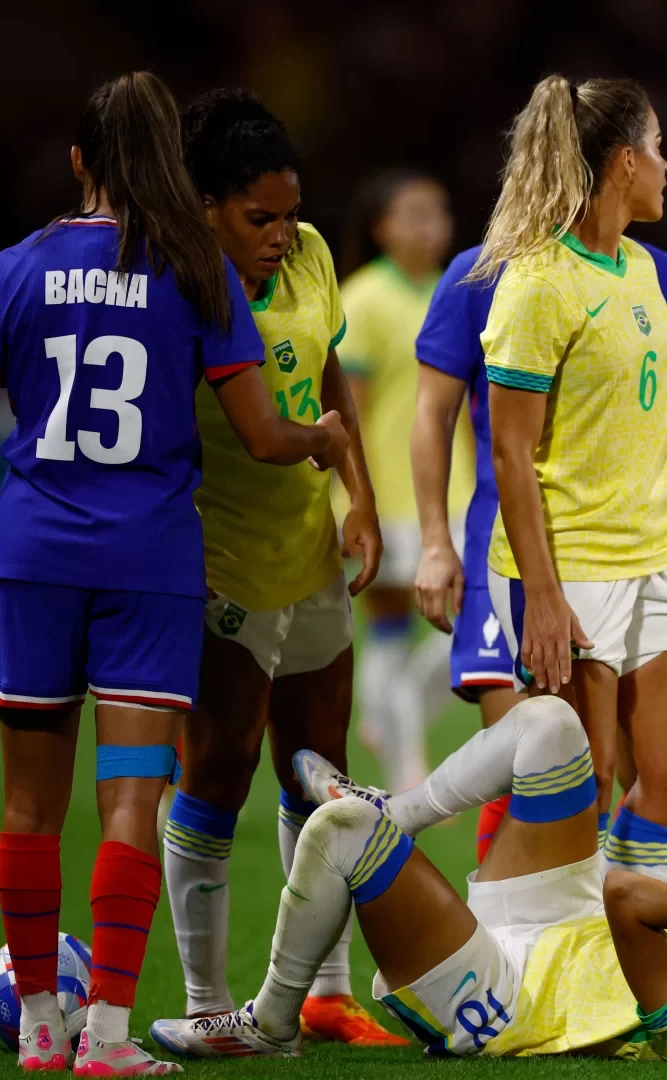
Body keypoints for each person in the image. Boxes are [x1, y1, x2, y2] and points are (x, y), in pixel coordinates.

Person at [0, 72, 346, 1076]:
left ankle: (38, 1028)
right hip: (148, 563)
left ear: (77, 163)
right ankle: (106, 1040)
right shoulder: (196, 275)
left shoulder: (13, 269)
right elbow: (265, 436)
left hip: (32, 561)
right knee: (133, 800)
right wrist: (322, 436)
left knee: (27, 811)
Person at [146, 699, 667, 1061]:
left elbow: (628, 896)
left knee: (340, 835)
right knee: (552, 722)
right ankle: (396, 809)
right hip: (566, 924)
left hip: (507, 993)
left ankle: (271, 1021)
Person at [162, 88, 403, 1047]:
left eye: (291, 213)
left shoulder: (308, 259)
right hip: (221, 560)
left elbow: (332, 375)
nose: (282, 233)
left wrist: (362, 498)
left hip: (308, 555)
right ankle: (203, 1002)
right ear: (207, 206)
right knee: (215, 773)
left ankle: (326, 993)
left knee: (319, 774)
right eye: (259, 217)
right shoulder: (179, 287)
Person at [474, 74, 667, 884]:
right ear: (626, 162)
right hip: (571, 560)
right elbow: (507, 455)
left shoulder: (641, 272)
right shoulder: (536, 281)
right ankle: (505, 957)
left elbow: (646, 429)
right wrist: (544, 594)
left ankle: (623, 952)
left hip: (652, 551)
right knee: (580, 785)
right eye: (659, 149)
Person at [413, 237, 667, 864]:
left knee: (645, 772)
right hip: (517, 549)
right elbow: (433, 413)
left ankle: (611, 940)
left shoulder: (660, 272)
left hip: (636, 546)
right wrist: (436, 541)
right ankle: (508, 945)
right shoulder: (484, 274)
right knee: (545, 770)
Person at [335, 169, 462, 793]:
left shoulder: (457, 291)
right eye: (413, 214)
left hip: (453, 490)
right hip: (389, 496)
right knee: (415, 622)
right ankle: (408, 767)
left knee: (435, 630)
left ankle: (391, 719)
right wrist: (358, 499)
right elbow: (346, 411)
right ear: (381, 227)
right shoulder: (362, 299)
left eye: (437, 211)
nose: (430, 225)